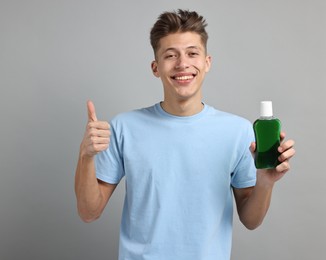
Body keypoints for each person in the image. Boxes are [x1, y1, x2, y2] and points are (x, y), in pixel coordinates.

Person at [74, 9, 295, 260]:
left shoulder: (238, 132)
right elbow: (88, 212)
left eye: (192, 53)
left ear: (207, 62)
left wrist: (265, 183)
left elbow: (251, 220)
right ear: (155, 67)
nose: (182, 64)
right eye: (170, 55)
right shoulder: (124, 128)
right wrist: (86, 156)